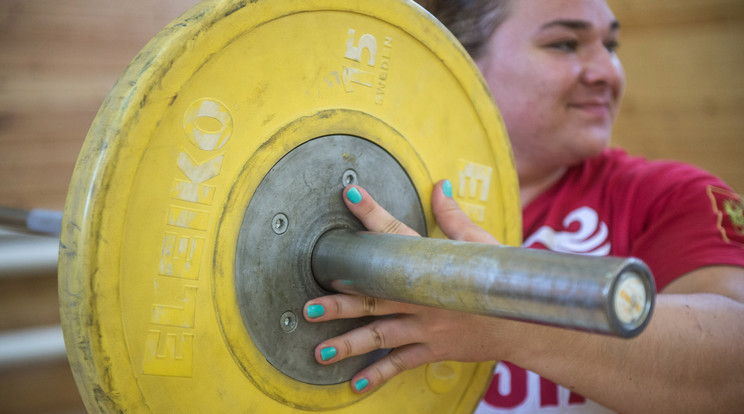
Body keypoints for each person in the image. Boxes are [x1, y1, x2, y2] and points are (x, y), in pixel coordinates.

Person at [303, 0, 744, 412]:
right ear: (457, 62)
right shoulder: (359, 193)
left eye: (610, 45)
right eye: (565, 44)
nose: (607, 72)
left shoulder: (671, 195)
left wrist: (505, 320)